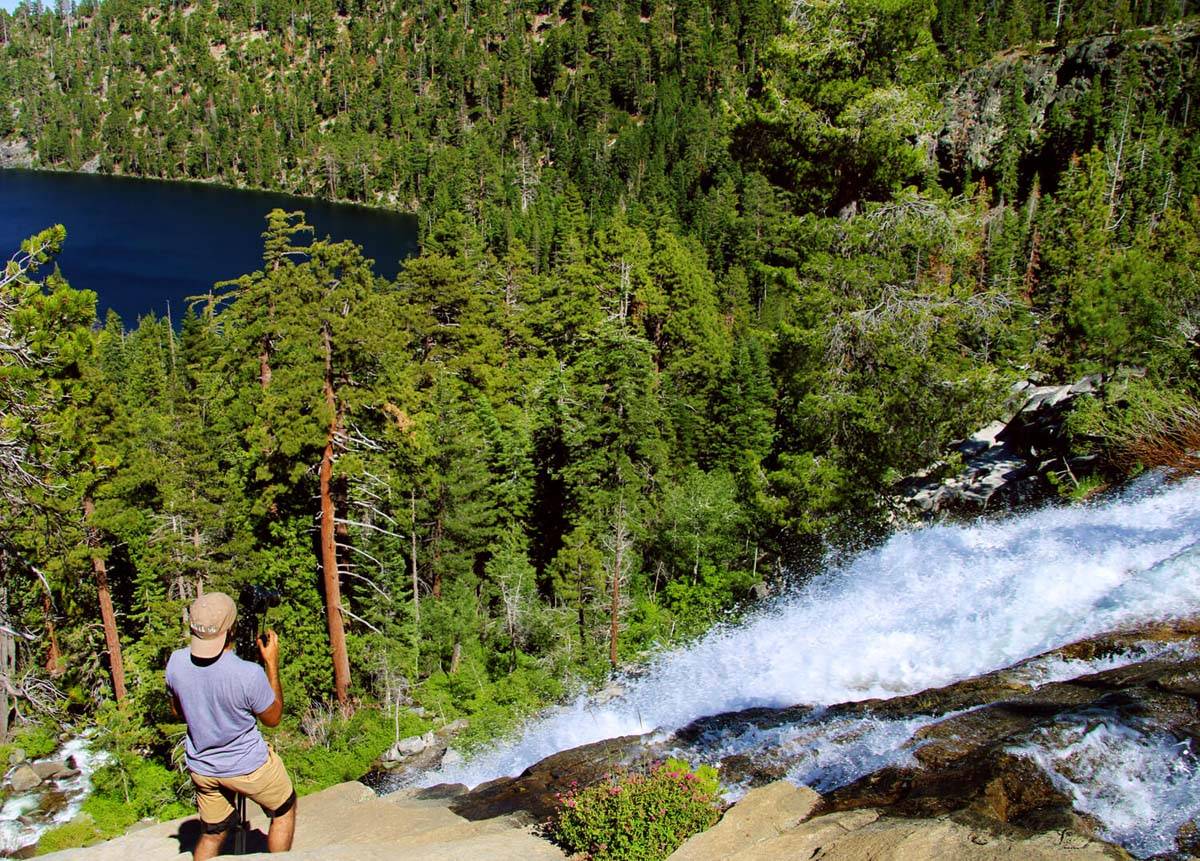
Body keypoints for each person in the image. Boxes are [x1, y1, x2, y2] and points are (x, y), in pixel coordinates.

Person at [166, 592, 297, 860]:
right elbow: (272, 719)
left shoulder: (176, 662)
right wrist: (271, 663)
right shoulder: (248, 674)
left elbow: (177, 711)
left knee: (213, 832)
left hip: (204, 768)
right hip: (248, 767)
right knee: (284, 810)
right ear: (231, 629)